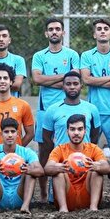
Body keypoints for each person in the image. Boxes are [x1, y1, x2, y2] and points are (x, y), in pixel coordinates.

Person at [31, 17, 80, 202]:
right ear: (46, 33)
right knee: (44, 151)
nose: (54, 32)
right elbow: (37, 79)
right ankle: (44, 193)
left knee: (67, 149)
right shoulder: (39, 56)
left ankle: (70, 188)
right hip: (45, 109)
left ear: (63, 32)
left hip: (67, 108)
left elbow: (75, 79)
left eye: (57, 29)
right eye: (50, 29)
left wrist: (49, 78)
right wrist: (64, 78)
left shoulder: (72, 55)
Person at [42, 71, 101, 203]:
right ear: (63, 86)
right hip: (63, 166)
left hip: (85, 167)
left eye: (75, 84)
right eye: (68, 84)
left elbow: (95, 135)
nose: (72, 87)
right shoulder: (52, 109)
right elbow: (46, 138)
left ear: (81, 86)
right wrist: (58, 154)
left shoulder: (91, 109)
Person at [0, 118, 44, 214]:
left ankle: (25, 207)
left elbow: (40, 171)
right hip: (0, 194)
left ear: (18, 134)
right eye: (6, 132)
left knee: (31, 171)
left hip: (19, 194)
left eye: (13, 131)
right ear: (1, 134)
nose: (10, 135)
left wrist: (27, 170)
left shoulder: (27, 152)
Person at [44, 114, 110, 212]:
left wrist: (97, 166)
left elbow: (107, 168)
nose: (76, 133)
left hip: (87, 194)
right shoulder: (60, 149)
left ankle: (93, 208)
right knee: (58, 171)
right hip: (67, 195)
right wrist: (59, 167)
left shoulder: (93, 148)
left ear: (85, 131)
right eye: (72, 129)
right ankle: (63, 209)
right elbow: (47, 168)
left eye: (80, 129)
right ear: (67, 132)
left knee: (96, 170)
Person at [80, 19, 110, 156]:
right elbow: (86, 79)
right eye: (99, 29)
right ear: (95, 35)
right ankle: (89, 177)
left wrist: (96, 80)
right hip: (93, 110)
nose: (102, 31)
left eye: (106, 29)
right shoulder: (87, 55)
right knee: (89, 149)